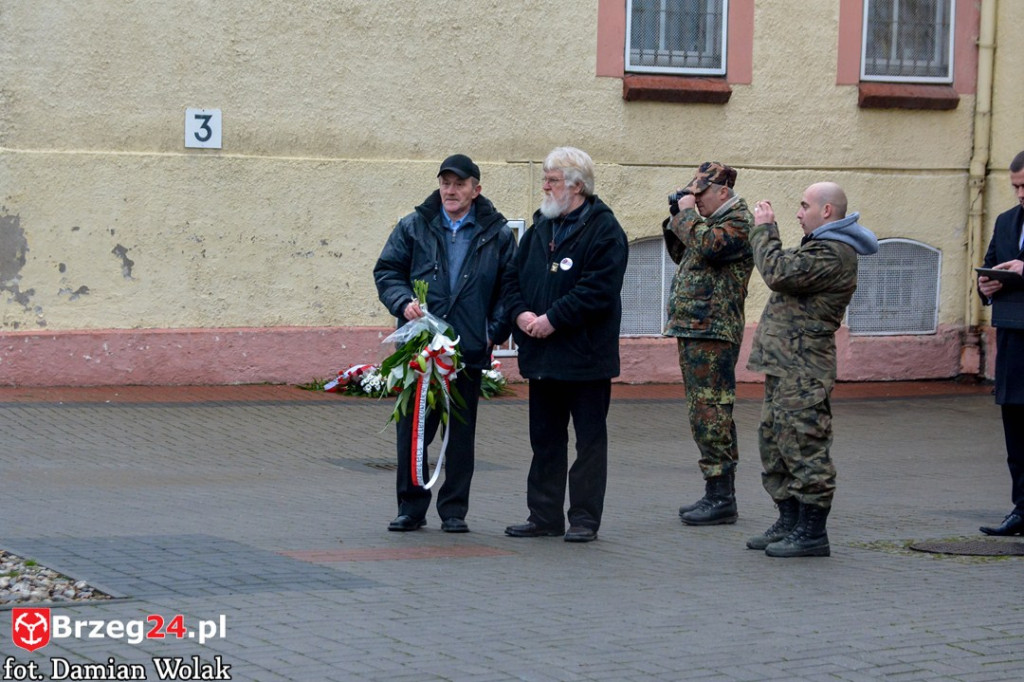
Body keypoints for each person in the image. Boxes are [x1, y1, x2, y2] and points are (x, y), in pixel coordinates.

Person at [374, 154, 516, 533]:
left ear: (476, 189)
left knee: (460, 434)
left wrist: (493, 330)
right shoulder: (414, 226)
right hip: (421, 349)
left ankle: (453, 511)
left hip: (468, 348)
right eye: (445, 183)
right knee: (415, 428)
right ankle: (411, 507)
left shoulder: (497, 233)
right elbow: (387, 271)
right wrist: (403, 302)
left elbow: (509, 288)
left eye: (458, 184)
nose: (450, 191)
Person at [503, 147, 629, 543]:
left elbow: (599, 290)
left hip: (586, 357)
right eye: (545, 178)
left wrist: (553, 319)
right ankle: (543, 515)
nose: (544, 185)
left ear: (576, 186)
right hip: (543, 356)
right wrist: (521, 315)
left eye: (552, 179)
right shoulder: (542, 226)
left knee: (589, 441)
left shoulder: (605, 230)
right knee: (545, 440)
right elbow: (513, 277)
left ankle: (584, 519)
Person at [745, 182, 878, 557]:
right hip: (786, 366)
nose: (798, 213)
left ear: (827, 212)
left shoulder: (834, 253)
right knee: (775, 444)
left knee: (805, 445)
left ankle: (812, 532)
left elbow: (778, 272)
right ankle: (789, 521)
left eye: (804, 206)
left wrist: (765, 230)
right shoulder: (819, 247)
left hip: (804, 369)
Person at [663, 162, 754, 526]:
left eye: (701, 194)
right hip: (697, 329)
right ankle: (718, 493)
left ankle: (720, 497)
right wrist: (677, 217)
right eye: (692, 194)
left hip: (714, 331)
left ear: (723, 192)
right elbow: (683, 254)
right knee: (706, 412)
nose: (694, 199)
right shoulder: (708, 223)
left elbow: (710, 247)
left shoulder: (738, 223)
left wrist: (686, 217)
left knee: (711, 412)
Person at [976, 150, 1024, 537]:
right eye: (1015, 187)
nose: (1020, 194)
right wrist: (986, 285)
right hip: (1012, 338)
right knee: (1015, 429)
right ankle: (1021, 508)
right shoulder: (1007, 221)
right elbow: (992, 263)